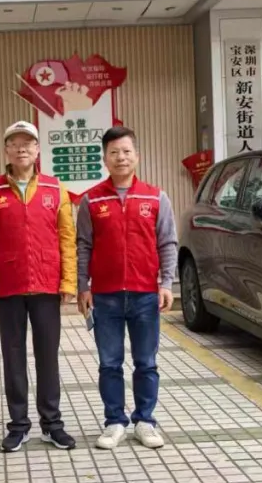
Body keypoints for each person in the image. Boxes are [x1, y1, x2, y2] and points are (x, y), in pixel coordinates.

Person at [0, 120, 78, 453]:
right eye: (15, 143)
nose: (21, 149)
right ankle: (18, 426)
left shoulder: (55, 188)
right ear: (6, 150)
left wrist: (69, 281)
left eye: (28, 143)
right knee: (13, 357)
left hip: (47, 285)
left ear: (37, 150)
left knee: (48, 357)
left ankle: (52, 424)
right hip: (9, 286)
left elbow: (67, 238)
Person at [76, 125, 177, 450]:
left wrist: (166, 283)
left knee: (146, 362)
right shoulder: (91, 200)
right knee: (110, 363)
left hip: (145, 294)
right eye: (114, 152)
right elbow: (83, 246)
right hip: (105, 296)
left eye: (126, 151)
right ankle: (114, 422)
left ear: (137, 156)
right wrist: (82, 286)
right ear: (105, 159)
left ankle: (145, 421)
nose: (121, 157)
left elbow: (167, 242)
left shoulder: (156, 197)